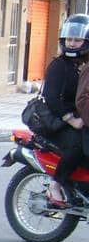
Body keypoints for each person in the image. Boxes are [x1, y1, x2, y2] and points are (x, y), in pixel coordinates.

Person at [42, 14, 89, 206]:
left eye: (77, 40)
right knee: (79, 145)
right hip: (57, 120)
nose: (71, 44)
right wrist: (72, 119)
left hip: (80, 116)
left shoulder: (81, 65)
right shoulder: (58, 65)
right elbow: (51, 98)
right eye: (69, 39)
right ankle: (55, 184)